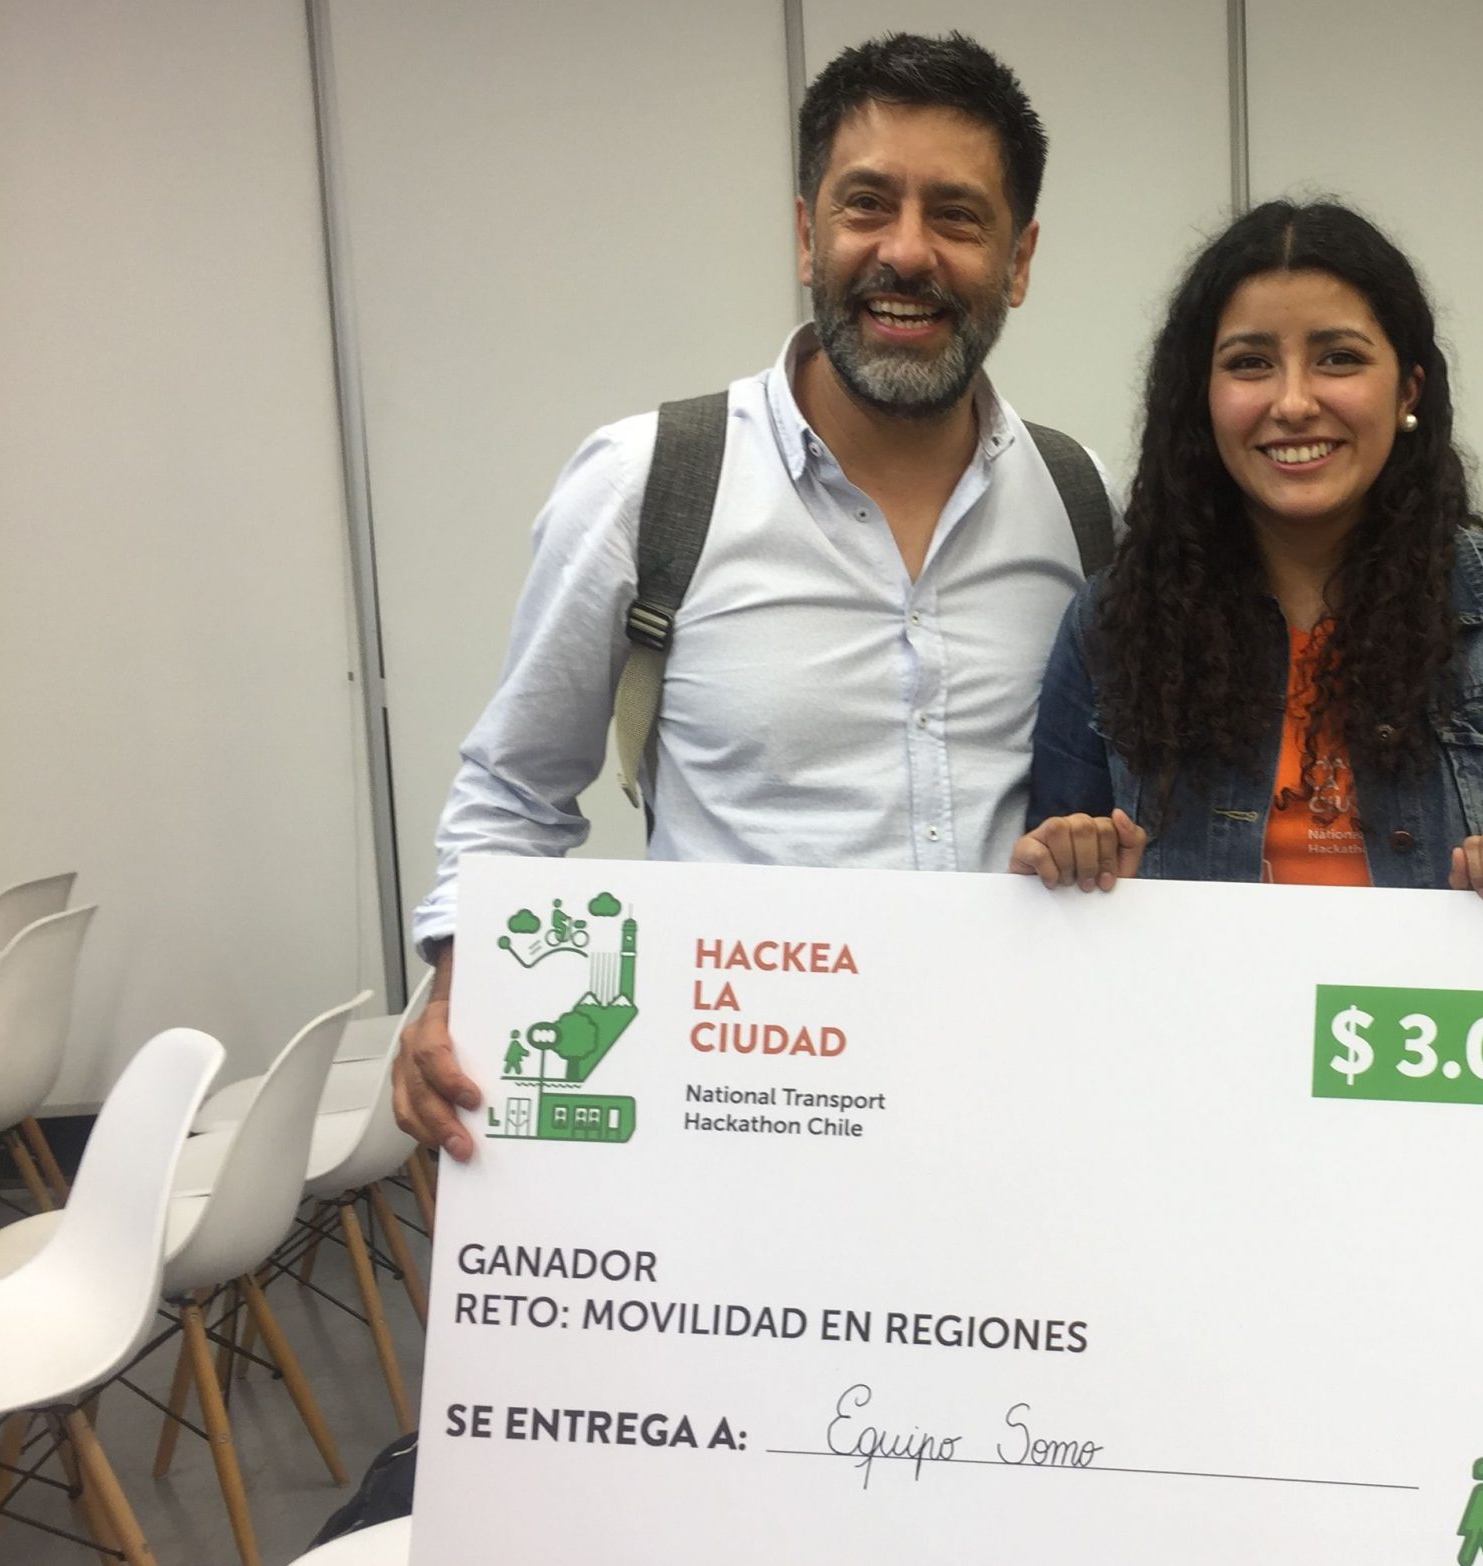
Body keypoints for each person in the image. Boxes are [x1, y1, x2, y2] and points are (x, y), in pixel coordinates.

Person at [393, 33, 1109, 1160]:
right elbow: (514, 792)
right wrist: (459, 981)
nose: (905, 251)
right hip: (742, 1138)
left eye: (957, 217)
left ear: (1018, 260)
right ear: (806, 234)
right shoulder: (651, 484)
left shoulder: (1083, 506)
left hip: (1008, 1124)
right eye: (867, 204)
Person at [1016, 200, 1483, 898]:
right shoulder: (1111, 625)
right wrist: (1070, 870)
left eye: (1338, 358)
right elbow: (1052, 906)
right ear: (1202, 398)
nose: (1293, 403)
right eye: (1250, 363)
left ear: (1407, 391)